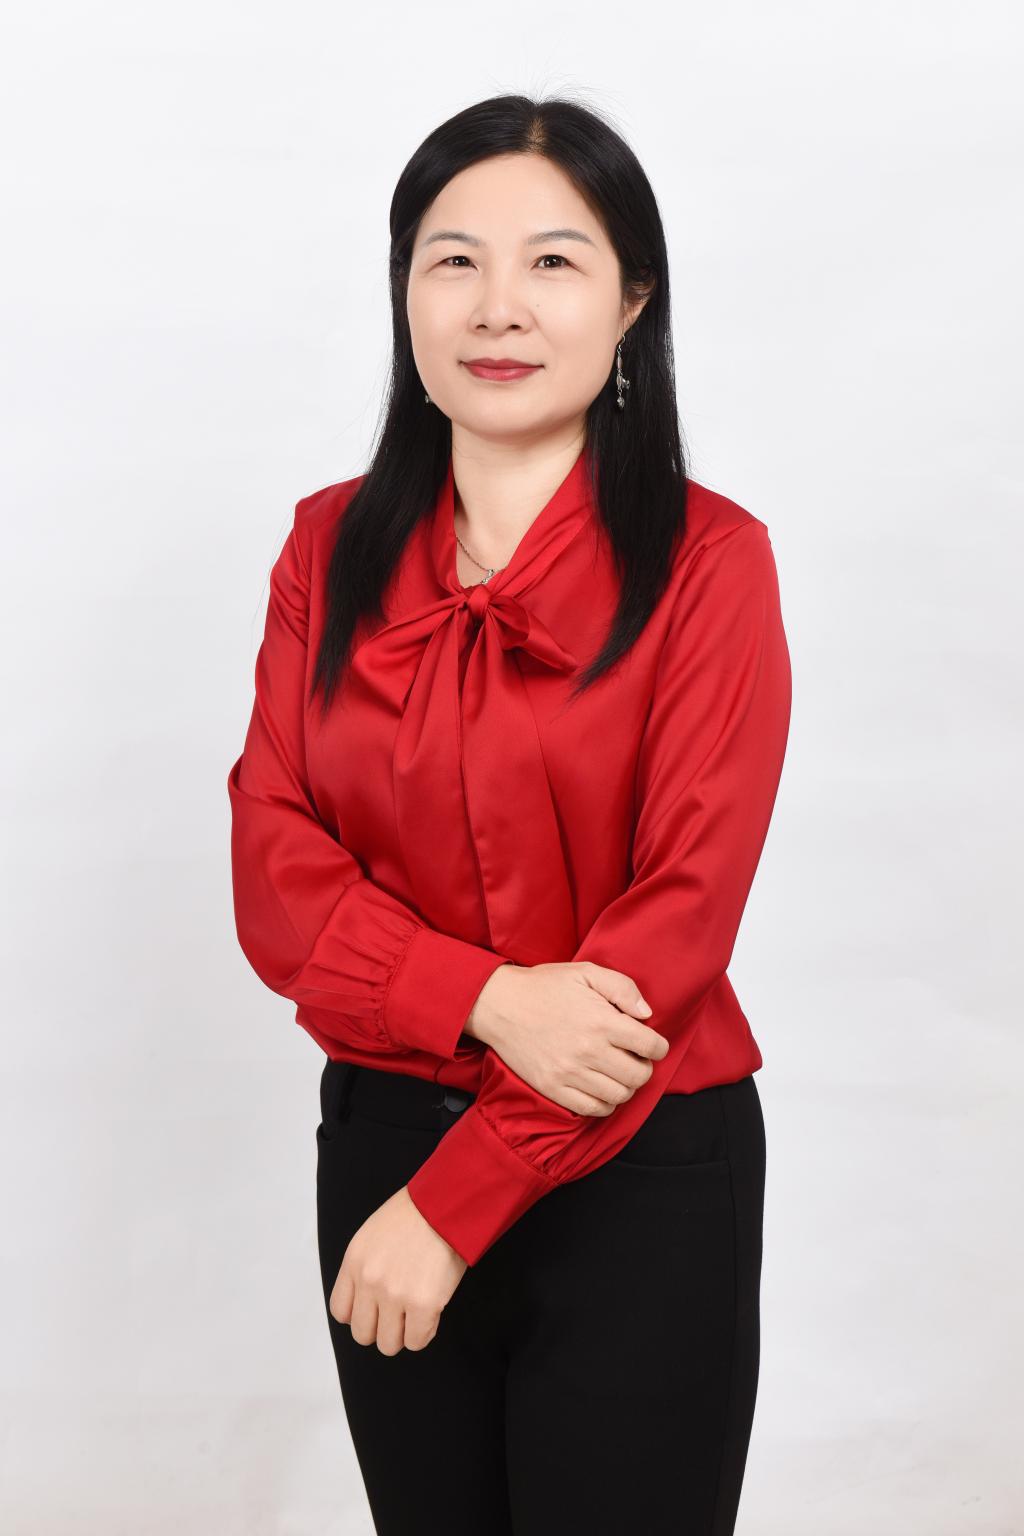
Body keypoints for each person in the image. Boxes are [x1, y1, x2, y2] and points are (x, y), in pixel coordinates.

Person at [227, 92, 792, 1536]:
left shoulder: (712, 563)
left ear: (632, 299)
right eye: (453, 260)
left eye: (552, 261)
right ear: (405, 291)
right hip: (380, 1144)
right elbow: (274, 868)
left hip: (641, 1161)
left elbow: (678, 923)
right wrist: (483, 999)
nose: (498, 306)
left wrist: (453, 1205)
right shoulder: (324, 547)